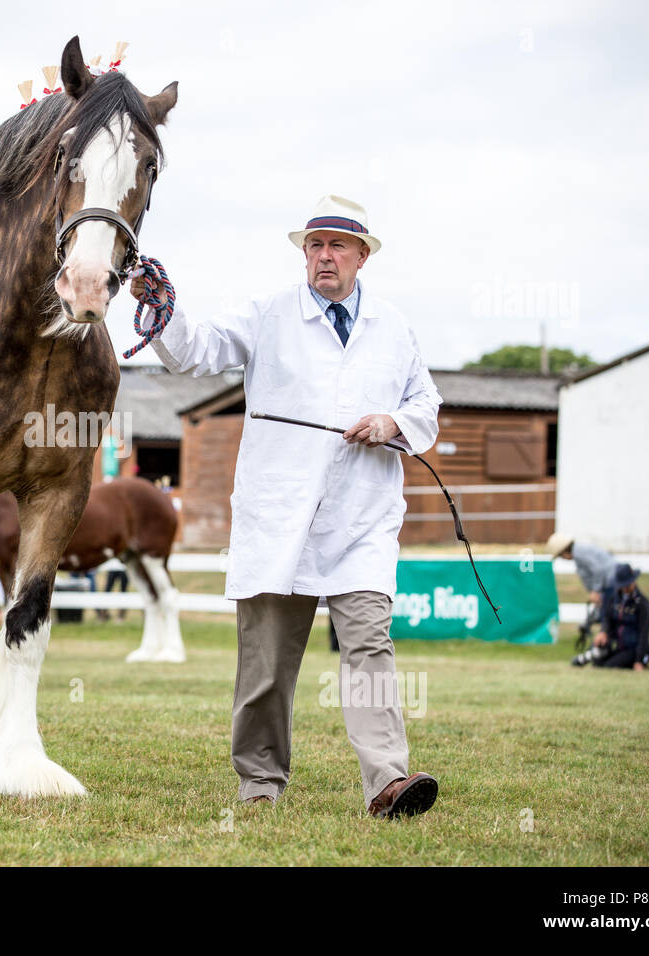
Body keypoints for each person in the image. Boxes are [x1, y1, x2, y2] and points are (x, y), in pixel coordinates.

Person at [142, 195, 442, 818]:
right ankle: (260, 779)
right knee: (268, 666)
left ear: (363, 256)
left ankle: (387, 782)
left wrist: (393, 421)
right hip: (281, 517)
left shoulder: (393, 326)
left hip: (361, 519)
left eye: (337, 245)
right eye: (314, 245)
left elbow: (425, 405)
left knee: (369, 646)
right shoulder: (267, 315)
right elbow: (197, 350)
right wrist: (160, 307)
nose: (324, 256)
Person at [571, 563, 649, 669]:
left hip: (633, 647)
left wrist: (639, 660)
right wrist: (604, 632)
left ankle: (637, 661)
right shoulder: (614, 599)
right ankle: (590, 655)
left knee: (610, 666)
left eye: (627, 585)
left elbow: (644, 633)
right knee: (598, 662)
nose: (625, 588)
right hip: (617, 644)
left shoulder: (642, 604)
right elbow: (607, 618)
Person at [546, 533, 618, 648]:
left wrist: (596, 591)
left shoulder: (579, 553)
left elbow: (598, 570)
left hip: (611, 583)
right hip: (609, 582)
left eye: (561, 556)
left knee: (607, 614)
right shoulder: (580, 550)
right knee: (606, 614)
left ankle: (603, 645)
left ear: (565, 551)